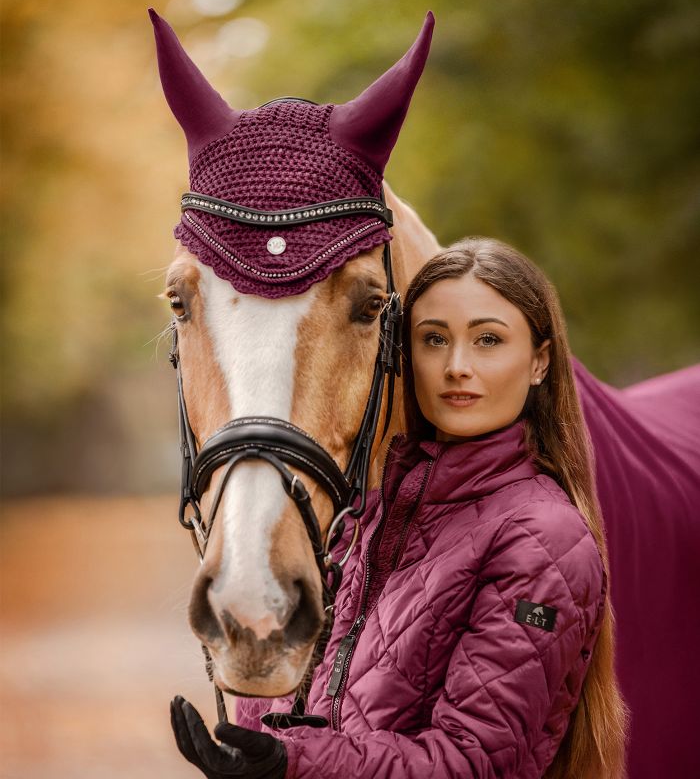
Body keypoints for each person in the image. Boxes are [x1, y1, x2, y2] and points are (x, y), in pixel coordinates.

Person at [170, 237, 629, 778]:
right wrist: (249, 751)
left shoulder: (544, 540)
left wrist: (293, 764)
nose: (457, 366)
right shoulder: (369, 512)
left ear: (538, 362)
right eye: (433, 339)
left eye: (487, 340)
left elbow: (473, 763)